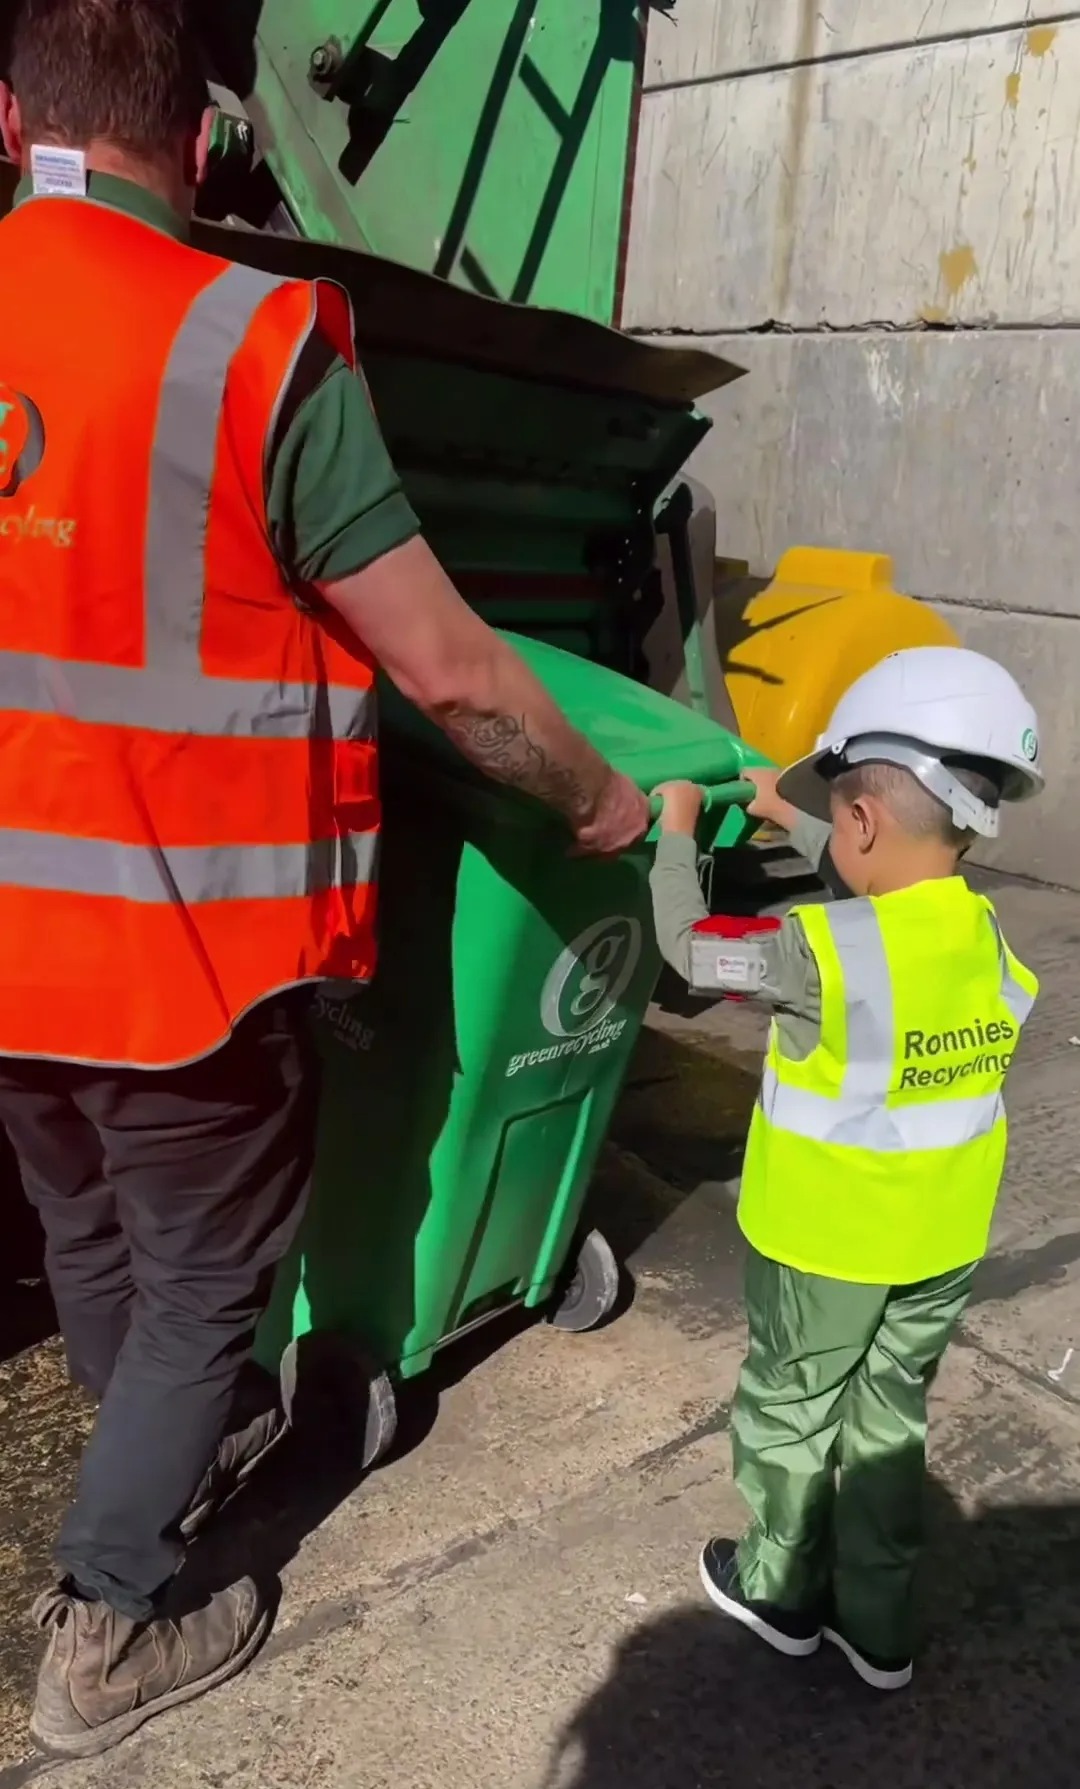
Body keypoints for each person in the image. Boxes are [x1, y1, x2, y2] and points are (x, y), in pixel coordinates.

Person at [0, 0, 649, 1759]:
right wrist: (599, 798)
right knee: (214, 1271)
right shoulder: (249, 334)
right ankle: (115, 1615)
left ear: (8, 125)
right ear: (208, 144)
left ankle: (160, 1424)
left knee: (87, 1221)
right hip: (182, 950)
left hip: (8, 955)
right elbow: (446, 668)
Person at [649, 645, 1043, 1691]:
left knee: (792, 1408)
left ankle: (778, 1589)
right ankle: (877, 1625)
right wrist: (792, 810)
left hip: (825, 1245)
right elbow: (889, 872)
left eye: (842, 817)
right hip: (940, 1245)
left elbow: (689, 949)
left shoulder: (814, 950)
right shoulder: (987, 934)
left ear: (861, 821)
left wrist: (678, 829)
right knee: (885, 1425)